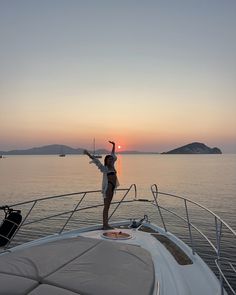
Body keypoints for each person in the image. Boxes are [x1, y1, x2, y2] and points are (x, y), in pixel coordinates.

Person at [84, 141, 119, 230]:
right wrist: (88, 154)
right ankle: (105, 225)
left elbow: (113, 155)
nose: (111, 160)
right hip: (108, 189)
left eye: (111, 159)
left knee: (108, 206)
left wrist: (114, 145)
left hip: (112, 189)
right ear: (106, 161)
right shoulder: (105, 168)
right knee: (106, 207)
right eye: (109, 159)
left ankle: (106, 224)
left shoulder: (113, 166)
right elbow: (97, 162)